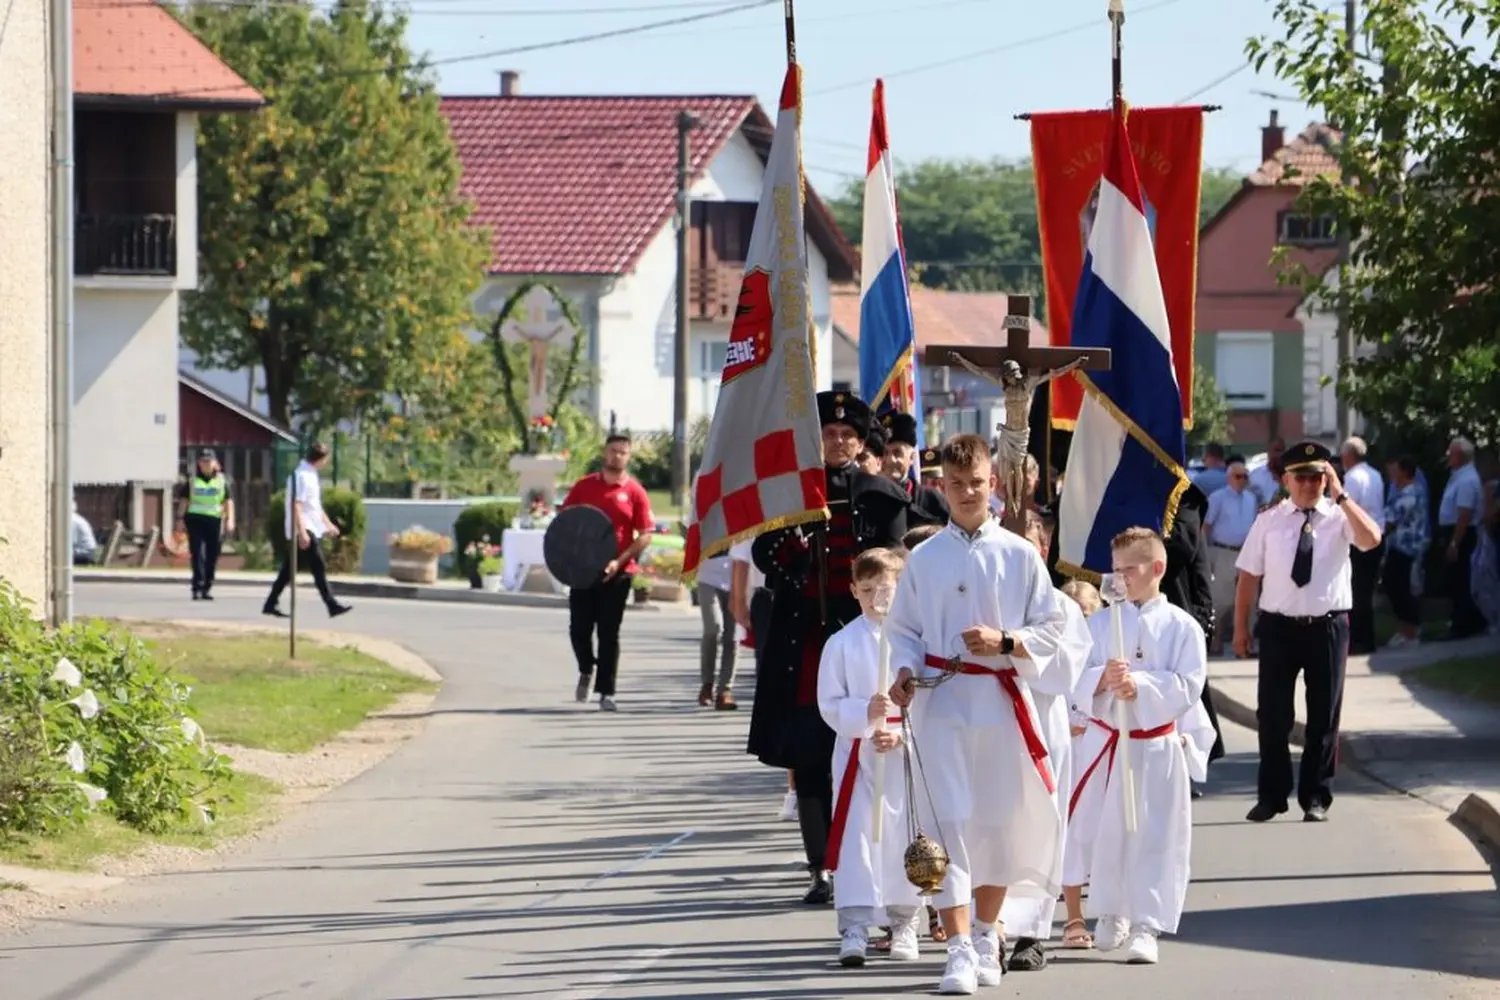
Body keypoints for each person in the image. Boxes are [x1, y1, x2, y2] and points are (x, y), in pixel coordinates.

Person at [886, 433, 1069, 995]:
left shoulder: (1019, 554)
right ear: (941, 487)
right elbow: (903, 629)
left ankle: (988, 934)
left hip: (998, 703)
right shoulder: (924, 559)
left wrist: (1007, 641)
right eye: (956, 484)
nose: (967, 493)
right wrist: (903, 670)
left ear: (993, 484)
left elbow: (1053, 628)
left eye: (976, 483)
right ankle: (959, 947)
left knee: (996, 822)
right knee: (948, 823)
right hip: (942, 704)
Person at [751, 391, 909, 904]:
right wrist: (793, 540)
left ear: (860, 443)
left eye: (847, 434)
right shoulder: (791, 494)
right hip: (807, 645)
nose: (838, 441)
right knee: (810, 754)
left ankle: (880, 858)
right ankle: (821, 865)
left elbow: (896, 561)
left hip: (866, 641)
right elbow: (765, 555)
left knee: (875, 746)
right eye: (829, 433)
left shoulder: (881, 495)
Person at [1077, 527, 1215, 965]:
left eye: (1129, 569)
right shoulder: (1100, 623)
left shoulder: (1182, 627)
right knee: (1109, 832)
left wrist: (1140, 686)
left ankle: (1146, 923)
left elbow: (1188, 685)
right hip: (1112, 744)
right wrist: (1102, 679)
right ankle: (1112, 910)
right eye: (1115, 570)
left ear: (1157, 568)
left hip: (1155, 748)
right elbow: (1077, 675)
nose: (1120, 578)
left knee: (1154, 834)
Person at [1234, 440, 1383, 823]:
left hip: (1327, 627)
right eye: (1300, 477)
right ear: (1286, 480)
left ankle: (1316, 796)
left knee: (1323, 718)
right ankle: (1272, 796)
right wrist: (1240, 628)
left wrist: (1342, 496)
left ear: (1327, 478)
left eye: (1317, 477)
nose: (1308, 484)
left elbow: (1371, 540)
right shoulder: (1269, 520)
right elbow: (1248, 577)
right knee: (1273, 716)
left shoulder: (1340, 516)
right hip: (1278, 627)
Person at [818, 547, 924, 967]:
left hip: (901, 756)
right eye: (867, 590)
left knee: (902, 834)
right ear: (853, 591)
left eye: (885, 589)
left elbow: (930, 702)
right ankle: (855, 926)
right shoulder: (842, 643)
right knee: (857, 838)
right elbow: (829, 702)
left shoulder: (913, 644)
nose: (876, 598)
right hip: (857, 757)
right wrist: (865, 714)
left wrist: (899, 734)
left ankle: (904, 921)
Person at [997, 510, 1093, 973]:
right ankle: (989, 927)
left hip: (1041, 723)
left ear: (1042, 549)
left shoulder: (1062, 607)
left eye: (1029, 546)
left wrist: (1011, 647)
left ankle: (1031, 933)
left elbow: (1064, 671)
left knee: (1040, 826)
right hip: (989, 724)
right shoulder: (980, 602)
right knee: (991, 826)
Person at [559, 434, 655, 712]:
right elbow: (565, 521)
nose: (617, 456)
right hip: (583, 571)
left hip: (618, 573)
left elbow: (645, 535)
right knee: (579, 630)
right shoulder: (584, 486)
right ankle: (586, 668)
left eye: (623, 452)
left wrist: (619, 561)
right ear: (605, 453)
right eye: (613, 451)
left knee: (608, 633)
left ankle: (606, 692)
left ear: (629, 457)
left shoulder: (635, 492)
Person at [730, 535, 794, 820]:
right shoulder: (758, 512)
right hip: (768, 598)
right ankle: (793, 788)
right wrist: (738, 600)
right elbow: (741, 559)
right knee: (783, 694)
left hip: (810, 595)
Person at [1056, 579, 1102, 952]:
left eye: (1085, 615)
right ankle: (1074, 916)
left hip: (1101, 750)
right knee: (1068, 835)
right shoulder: (1052, 654)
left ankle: (1115, 911)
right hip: (1064, 752)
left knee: (1106, 832)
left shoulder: (1109, 650)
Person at [263, 442, 352, 620]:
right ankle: (331, 604)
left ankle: (270, 603)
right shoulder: (301, 476)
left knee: (289, 569)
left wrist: (328, 524)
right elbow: (296, 505)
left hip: (310, 526)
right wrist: (302, 532)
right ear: (321, 459)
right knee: (318, 566)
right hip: (304, 527)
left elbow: (315, 506)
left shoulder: (311, 475)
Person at [1202, 457, 1259, 656]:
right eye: (1238, 476)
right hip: (1224, 552)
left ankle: (1245, 643)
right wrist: (1205, 555)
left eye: (1245, 476)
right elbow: (1206, 526)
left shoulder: (1251, 498)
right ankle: (1215, 640)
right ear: (1229, 478)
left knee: (1249, 599)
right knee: (1222, 599)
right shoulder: (1217, 498)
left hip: (1246, 553)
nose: (1242, 480)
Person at [1339, 437, 1386, 655]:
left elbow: (1347, 509)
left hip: (1359, 540)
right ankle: (1368, 639)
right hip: (1377, 535)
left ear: (1349, 456)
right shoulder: (1375, 474)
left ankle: (1358, 639)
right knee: (1366, 592)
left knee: (1356, 592)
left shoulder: (1352, 477)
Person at [1438, 437, 1487, 640]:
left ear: (1459, 456)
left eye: (1451, 453)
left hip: (1461, 533)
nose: (1448, 457)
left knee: (1460, 580)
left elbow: (1464, 515)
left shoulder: (1467, 479)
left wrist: (1454, 543)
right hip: (1455, 531)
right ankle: (1467, 621)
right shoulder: (1458, 476)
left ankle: (1464, 625)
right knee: (1455, 580)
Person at [1383, 456, 1430, 648]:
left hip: (1406, 547)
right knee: (1395, 587)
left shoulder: (1409, 494)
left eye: (1395, 470)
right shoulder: (1410, 491)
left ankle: (1411, 631)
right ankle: (1404, 629)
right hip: (1401, 546)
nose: (1392, 475)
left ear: (1404, 472)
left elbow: (1390, 521)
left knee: (1399, 588)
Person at [177, 449, 235, 601]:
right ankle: (197, 586)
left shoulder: (222, 481)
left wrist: (230, 520)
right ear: (199, 463)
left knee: (212, 555)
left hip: (215, 520)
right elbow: (184, 500)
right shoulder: (192, 481)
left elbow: (228, 501)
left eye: (209, 461)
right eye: (203, 461)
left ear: (215, 463)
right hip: (195, 519)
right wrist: (180, 519)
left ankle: (207, 587)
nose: (206, 464)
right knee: (198, 554)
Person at [881, 412, 950, 528]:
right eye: (885, 453)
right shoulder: (866, 497)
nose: (890, 460)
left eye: (897, 453)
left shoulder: (932, 500)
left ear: (911, 458)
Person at [694, 546, 738, 710]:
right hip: (708, 574)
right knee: (713, 628)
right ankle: (707, 684)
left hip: (737, 572)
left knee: (733, 635)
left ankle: (725, 690)